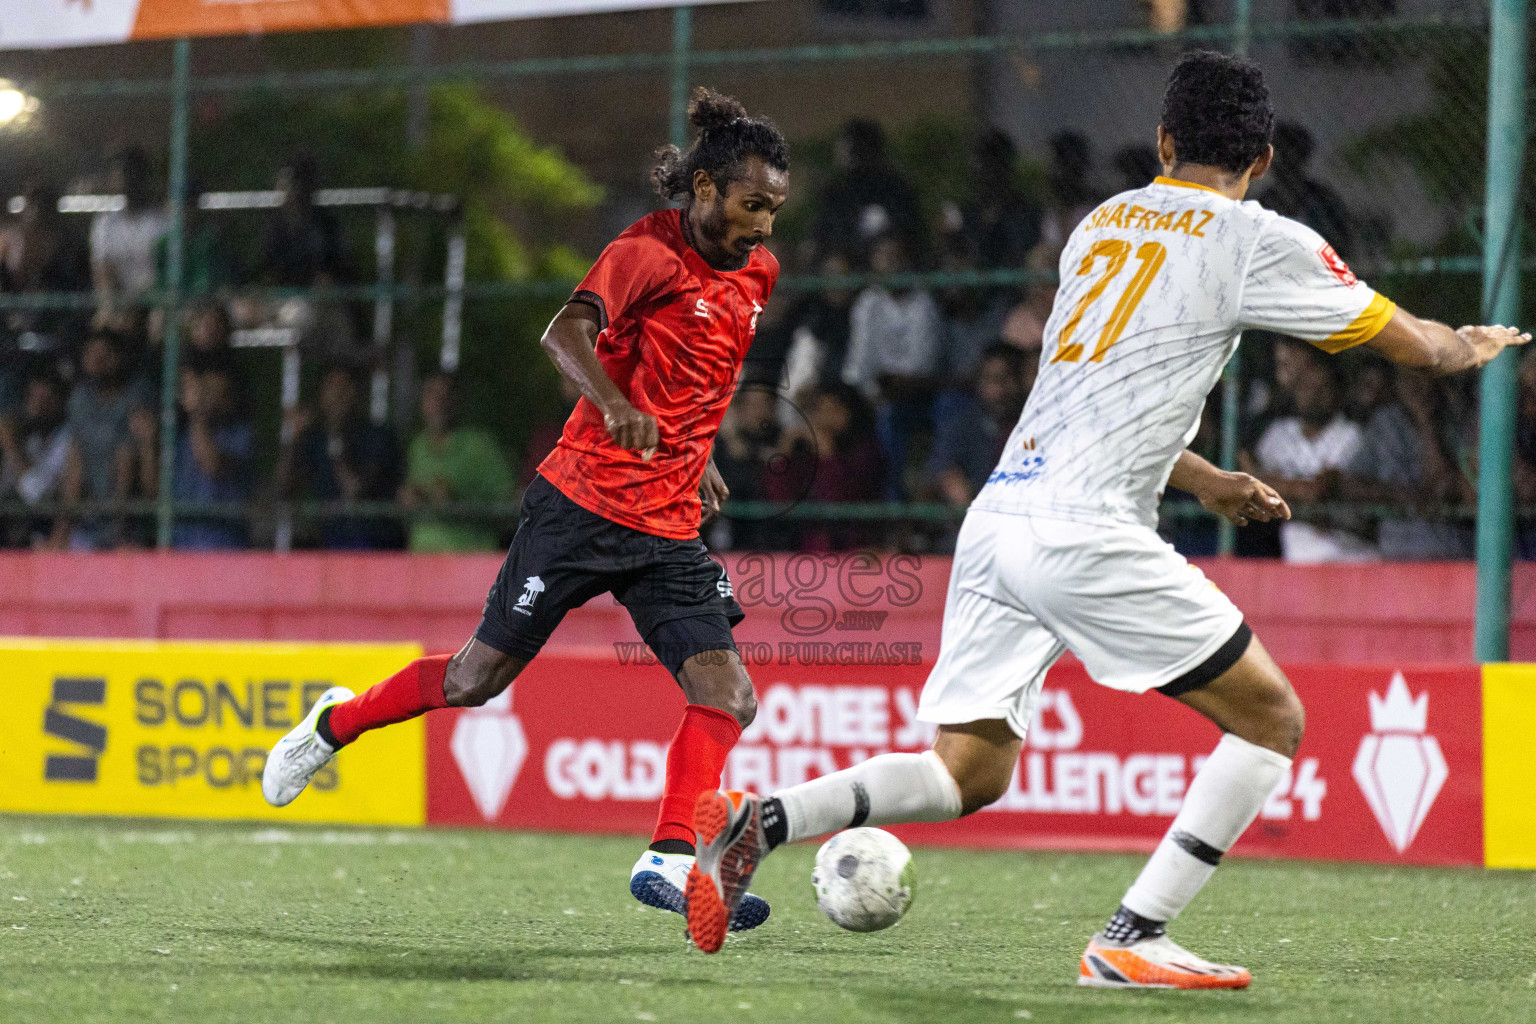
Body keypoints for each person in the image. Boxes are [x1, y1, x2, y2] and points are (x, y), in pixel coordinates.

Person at [684, 51, 1528, 978]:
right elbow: (1409, 341)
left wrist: (1203, 480)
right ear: (1266, 158)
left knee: (969, 772)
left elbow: (1088, 394)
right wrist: (1466, 343)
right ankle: (1133, 938)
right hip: (1083, 529)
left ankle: (757, 821)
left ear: (1164, 141)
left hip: (1002, 518)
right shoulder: (1254, 236)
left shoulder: (1099, 225)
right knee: (1271, 721)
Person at [261, 87, 790, 936]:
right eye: (752, 203)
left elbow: (700, 375)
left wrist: (703, 456)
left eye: (774, 208)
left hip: (665, 526)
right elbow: (564, 334)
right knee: (477, 680)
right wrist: (612, 404)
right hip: (579, 507)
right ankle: (337, 721)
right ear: (703, 190)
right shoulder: (644, 251)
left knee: (727, 692)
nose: (765, 224)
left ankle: (667, 858)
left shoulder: (757, 273)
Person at [1250, 342, 1375, 563]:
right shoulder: (1278, 434)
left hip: (1350, 561)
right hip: (1296, 563)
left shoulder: (1353, 435)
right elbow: (1251, 482)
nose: (1312, 391)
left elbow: (1322, 490)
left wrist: (1280, 489)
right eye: (1305, 384)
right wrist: (1302, 492)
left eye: (1321, 384)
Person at [841, 231, 942, 498]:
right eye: (883, 258)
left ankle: (891, 502)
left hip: (912, 399)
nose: (890, 265)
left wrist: (885, 392)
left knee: (889, 421)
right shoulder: (868, 303)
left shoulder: (924, 305)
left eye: (896, 258)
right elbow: (857, 364)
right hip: (870, 396)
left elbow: (920, 370)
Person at [275, 363, 403, 550]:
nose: (338, 395)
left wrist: (336, 443)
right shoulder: (314, 438)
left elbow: (355, 491)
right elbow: (282, 488)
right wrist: (292, 439)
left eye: (345, 387)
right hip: (329, 541)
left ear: (357, 393)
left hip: (375, 543)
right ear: (321, 395)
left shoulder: (378, 436)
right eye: (331, 388)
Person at [399, 372, 514, 553]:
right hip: (420, 562)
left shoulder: (480, 446)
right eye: (431, 394)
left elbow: (510, 506)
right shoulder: (417, 447)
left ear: (457, 402)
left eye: (445, 395)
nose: (438, 402)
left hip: (469, 563)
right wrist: (410, 498)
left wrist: (458, 503)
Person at [922, 345, 1026, 509]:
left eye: (1007, 379)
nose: (1000, 390)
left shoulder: (1036, 426)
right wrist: (947, 480)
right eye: (992, 380)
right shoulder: (963, 424)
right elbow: (934, 476)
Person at [166, 363, 256, 550]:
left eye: (217, 394)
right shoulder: (180, 438)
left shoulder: (241, 436)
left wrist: (195, 415)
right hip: (182, 545)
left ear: (230, 400)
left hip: (224, 546)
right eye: (206, 393)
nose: (208, 400)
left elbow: (212, 465)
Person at [811, 119, 924, 266]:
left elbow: (908, 232)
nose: (841, 152)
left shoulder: (893, 187)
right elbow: (825, 232)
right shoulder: (838, 191)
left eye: (847, 146)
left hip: (886, 266)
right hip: (848, 259)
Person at [90, 147, 169, 311]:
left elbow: (163, 272)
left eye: (131, 172)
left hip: (154, 305)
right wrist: (111, 308)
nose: (125, 179)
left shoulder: (161, 221)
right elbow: (102, 271)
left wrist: (136, 303)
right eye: (119, 173)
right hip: (118, 305)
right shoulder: (105, 223)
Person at [0, 370, 71, 547]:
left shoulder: (67, 440)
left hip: (51, 528)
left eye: (45, 400)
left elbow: (41, 498)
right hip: (16, 528)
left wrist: (12, 448)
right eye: (33, 399)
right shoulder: (28, 438)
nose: (37, 407)